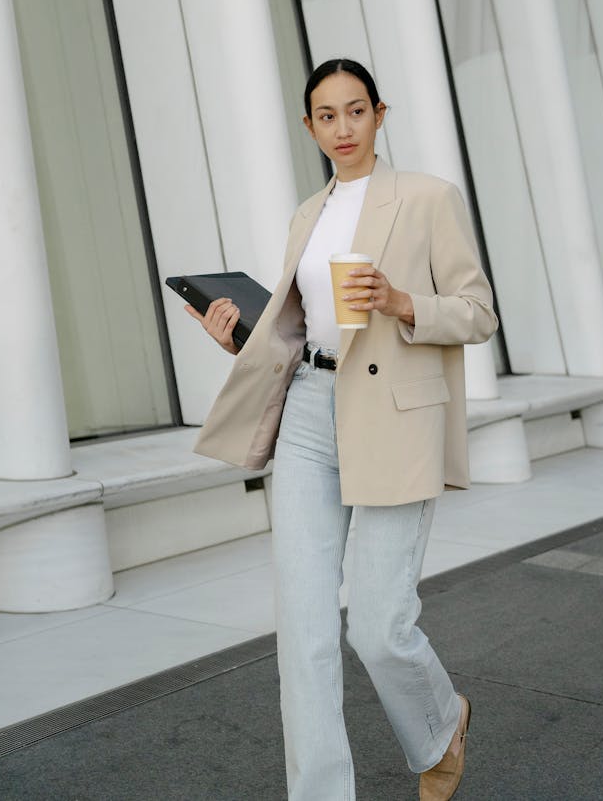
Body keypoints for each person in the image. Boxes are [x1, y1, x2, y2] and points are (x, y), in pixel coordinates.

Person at [186, 58, 498, 800]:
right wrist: (235, 334)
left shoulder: (426, 198)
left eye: (356, 111)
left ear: (380, 114)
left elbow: (479, 311)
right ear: (310, 127)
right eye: (328, 115)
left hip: (391, 416)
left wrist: (400, 299)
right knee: (303, 630)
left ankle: (439, 722)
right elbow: (299, 327)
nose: (344, 128)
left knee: (380, 626)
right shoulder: (307, 214)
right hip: (306, 412)